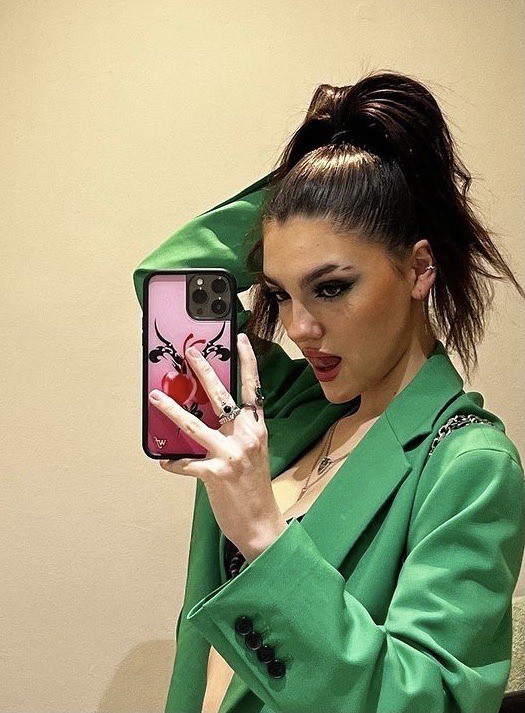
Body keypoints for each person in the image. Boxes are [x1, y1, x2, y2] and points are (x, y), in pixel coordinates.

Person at [133, 70, 525, 713]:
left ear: (419, 268)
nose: (298, 328)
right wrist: (325, 162)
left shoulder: (467, 466)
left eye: (331, 288)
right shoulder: (285, 410)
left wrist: (265, 536)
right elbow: (169, 281)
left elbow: (431, 702)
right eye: (281, 294)